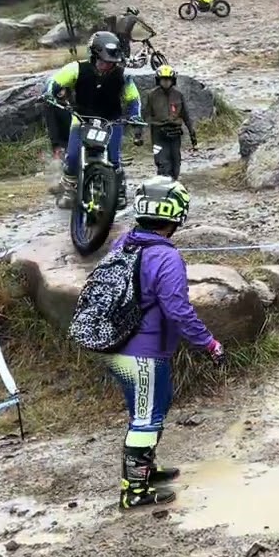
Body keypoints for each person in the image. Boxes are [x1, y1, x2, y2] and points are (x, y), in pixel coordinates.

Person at [103, 177, 226, 509]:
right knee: (145, 418)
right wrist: (209, 344)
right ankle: (134, 492)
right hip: (142, 352)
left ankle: (146, 471)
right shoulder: (166, 257)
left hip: (122, 347)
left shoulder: (124, 243)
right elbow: (178, 309)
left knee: (152, 408)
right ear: (175, 215)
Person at [48, 31, 144, 211]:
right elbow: (54, 82)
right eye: (102, 62)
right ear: (93, 57)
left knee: (114, 158)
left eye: (111, 63)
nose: (106, 66)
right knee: (74, 156)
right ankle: (69, 187)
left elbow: (134, 98)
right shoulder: (76, 68)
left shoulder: (123, 75)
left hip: (111, 121)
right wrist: (51, 93)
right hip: (82, 119)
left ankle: (119, 190)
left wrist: (135, 118)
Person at [142, 65, 197, 180]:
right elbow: (145, 115)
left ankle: (173, 185)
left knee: (175, 164)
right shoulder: (152, 95)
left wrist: (192, 134)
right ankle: (162, 186)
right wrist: (138, 133)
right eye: (163, 79)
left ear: (173, 81)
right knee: (162, 164)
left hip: (175, 133)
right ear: (159, 80)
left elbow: (186, 115)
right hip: (158, 133)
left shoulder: (178, 95)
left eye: (168, 79)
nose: (166, 82)